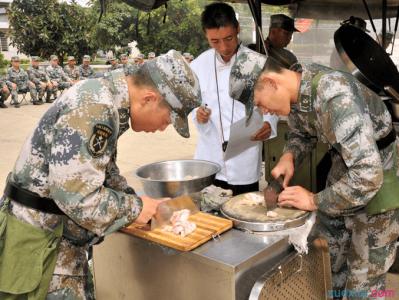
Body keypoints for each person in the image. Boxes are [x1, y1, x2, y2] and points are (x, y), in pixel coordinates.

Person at [0, 50, 201, 299]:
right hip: (40, 243)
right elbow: (78, 196)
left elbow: (102, 170)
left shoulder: (110, 100)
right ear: (149, 99)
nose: (163, 128)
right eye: (168, 120)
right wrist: (135, 208)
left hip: (55, 236)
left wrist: (137, 201)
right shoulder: (96, 106)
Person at [231, 52, 399, 298]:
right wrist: (290, 156)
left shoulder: (334, 95)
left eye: (259, 103)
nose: (264, 111)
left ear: (270, 82)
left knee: (364, 284)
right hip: (343, 175)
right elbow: (303, 133)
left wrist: (314, 201)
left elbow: (367, 175)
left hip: (378, 186)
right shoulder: (300, 87)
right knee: (328, 265)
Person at [191, 2, 278, 196]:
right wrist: (199, 116)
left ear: (238, 29)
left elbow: (272, 105)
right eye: (215, 41)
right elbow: (191, 106)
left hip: (244, 161)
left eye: (229, 38)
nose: (223, 47)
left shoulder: (256, 63)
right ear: (206, 35)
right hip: (209, 158)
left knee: (244, 211)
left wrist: (269, 124)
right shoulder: (198, 65)